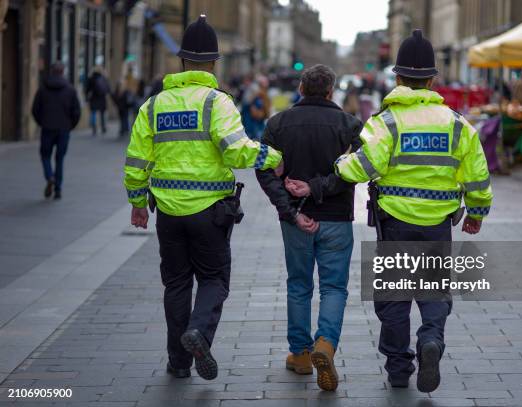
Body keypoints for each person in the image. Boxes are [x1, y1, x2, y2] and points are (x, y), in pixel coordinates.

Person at [123, 15, 283, 381]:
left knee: (176, 284)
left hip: (167, 213)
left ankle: (178, 362)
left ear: (181, 61)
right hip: (211, 211)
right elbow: (235, 152)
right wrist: (274, 157)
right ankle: (199, 333)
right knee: (214, 280)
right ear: (213, 62)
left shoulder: (154, 106)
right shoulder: (218, 103)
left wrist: (136, 201)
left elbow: (136, 160)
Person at [334, 30, 493, 392]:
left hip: (395, 225)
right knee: (434, 291)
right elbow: (478, 175)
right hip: (438, 224)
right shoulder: (457, 124)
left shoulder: (387, 122)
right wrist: (477, 212)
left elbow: (362, 166)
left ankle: (399, 367)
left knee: (393, 297)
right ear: (433, 79)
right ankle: (430, 339)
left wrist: (338, 167)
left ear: (398, 78)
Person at [256, 64, 362, 392]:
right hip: (337, 218)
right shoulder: (349, 125)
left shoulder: (278, 124)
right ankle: (325, 345)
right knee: (333, 288)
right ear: (331, 91)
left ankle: (300, 355)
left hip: (297, 219)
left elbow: (263, 171)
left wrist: (289, 211)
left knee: (299, 285)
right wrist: (320, 186)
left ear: (301, 88)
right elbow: (360, 168)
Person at [31, 62, 81, 200]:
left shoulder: (42, 89)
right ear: (63, 72)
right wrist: (70, 125)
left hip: (47, 127)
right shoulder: (70, 90)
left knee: (45, 155)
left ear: (52, 71)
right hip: (63, 129)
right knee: (60, 159)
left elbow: (35, 109)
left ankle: (49, 176)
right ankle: (58, 189)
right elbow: (76, 111)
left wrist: (42, 122)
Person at [85, 66, 110, 136]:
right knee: (102, 113)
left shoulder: (91, 78)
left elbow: (87, 89)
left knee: (93, 113)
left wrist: (87, 97)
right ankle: (103, 127)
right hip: (102, 98)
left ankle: (94, 128)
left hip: (93, 98)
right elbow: (108, 89)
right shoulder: (103, 78)